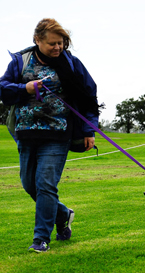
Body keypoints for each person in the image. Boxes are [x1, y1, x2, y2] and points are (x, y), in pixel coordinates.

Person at [0, 18, 100, 252]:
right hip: (26, 133)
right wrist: (24, 88)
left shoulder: (72, 64)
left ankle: (40, 238)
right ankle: (63, 214)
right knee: (29, 185)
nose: (57, 48)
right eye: (52, 44)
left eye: (61, 43)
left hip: (58, 133)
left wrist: (89, 130)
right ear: (37, 40)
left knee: (45, 184)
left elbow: (89, 97)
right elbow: (3, 89)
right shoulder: (20, 62)